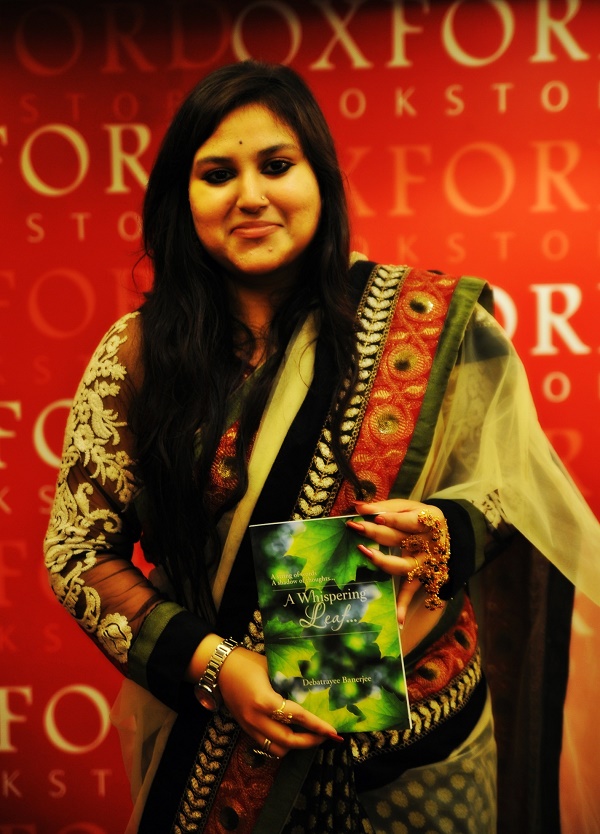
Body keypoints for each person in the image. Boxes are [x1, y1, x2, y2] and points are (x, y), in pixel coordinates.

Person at [43, 61, 599, 834]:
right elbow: (77, 554)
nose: (250, 195)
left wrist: (443, 531)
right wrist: (219, 668)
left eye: (277, 165)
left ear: (321, 180)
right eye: (217, 174)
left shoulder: (430, 324)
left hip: (422, 742)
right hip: (225, 746)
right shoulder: (138, 357)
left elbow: (519, 494)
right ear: (182, 197)